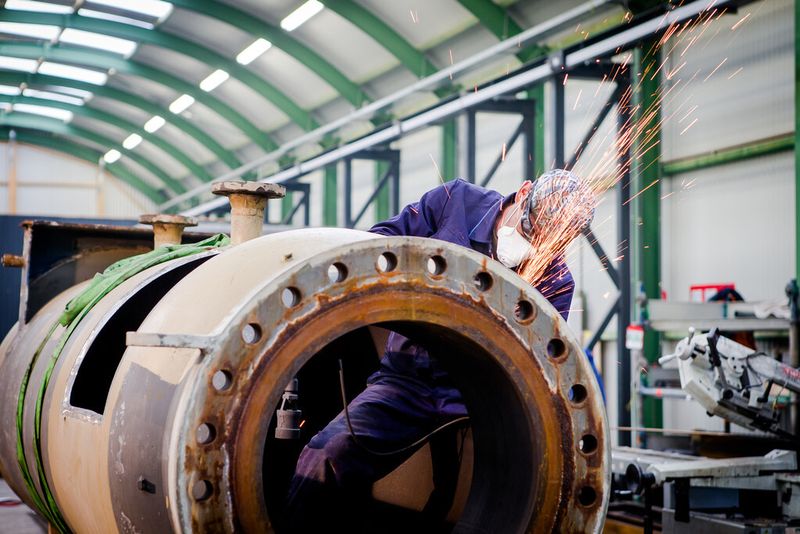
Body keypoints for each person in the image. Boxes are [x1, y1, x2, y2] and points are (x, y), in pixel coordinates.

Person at [285, 169, 596, 531]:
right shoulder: (457, 203)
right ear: (523, 192)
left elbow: (542, 362)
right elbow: (378, 244)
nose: (532, 247)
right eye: (529, 232)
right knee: (326, 456)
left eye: (546, 243)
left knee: (523, 495)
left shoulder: (556, 278)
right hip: (407, 380)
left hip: (483, 400)